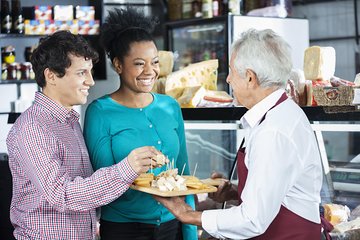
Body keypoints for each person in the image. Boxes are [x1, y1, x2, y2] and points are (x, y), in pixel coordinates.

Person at [154, 28, 323, 239]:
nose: (228, 80)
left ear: (251, 78)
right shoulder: (279, 112)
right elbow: (279, 189)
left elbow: (252, 220)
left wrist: (189, 214)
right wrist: (236, 191)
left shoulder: (273, 132)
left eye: (232, 71)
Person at [6, 30, 161, 240]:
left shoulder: (69, 121)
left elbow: (80, 190)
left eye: (90, 72)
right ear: (51, 75)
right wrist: (127, 168)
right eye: (81, 73)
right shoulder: (33, 128)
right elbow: (61, 195)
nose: (91, 82)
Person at [83, 7, 198, 240]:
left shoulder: (170, 106)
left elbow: (185, 177)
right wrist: (133, 166)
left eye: (154, 62)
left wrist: (189, 231)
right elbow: (101, 184)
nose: (150, 71)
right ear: (118, 65)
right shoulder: (100, 112)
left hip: (172, 226)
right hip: (124, 229)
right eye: (138, 63)